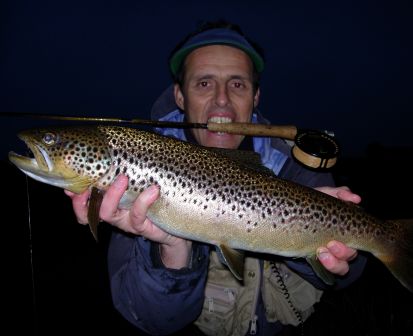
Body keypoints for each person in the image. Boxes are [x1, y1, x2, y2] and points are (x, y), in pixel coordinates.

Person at [65, 21, 366, 335]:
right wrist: (172, 246)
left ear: (256, 96)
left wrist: (332, 243)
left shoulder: (296, 164)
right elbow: (150, 319)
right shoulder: (139, 174)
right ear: (180, 97)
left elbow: (351, 273)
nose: (222, 99)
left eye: (237, 84)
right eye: (204, 83)